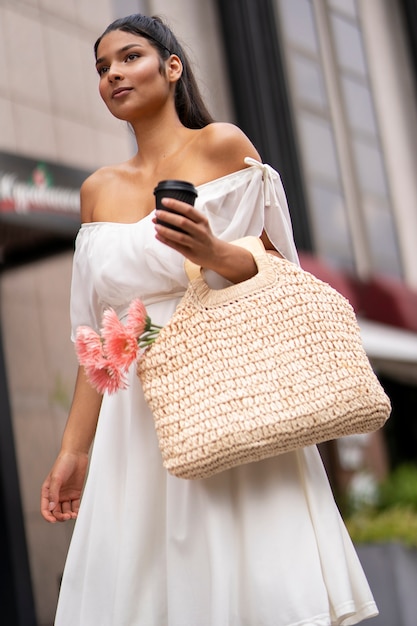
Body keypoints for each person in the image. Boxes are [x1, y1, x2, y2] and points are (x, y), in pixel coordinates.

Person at [41, 13, 378, 626]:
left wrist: (213, 253)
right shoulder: (97, 189)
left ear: (173, 67)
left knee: (248, 582)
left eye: (130, 57)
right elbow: (100, 339)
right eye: (101, 67)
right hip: (135, 421)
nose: (113, 72)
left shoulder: (223, 144)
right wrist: (73, 450)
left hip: (228, 391)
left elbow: (280, 273)